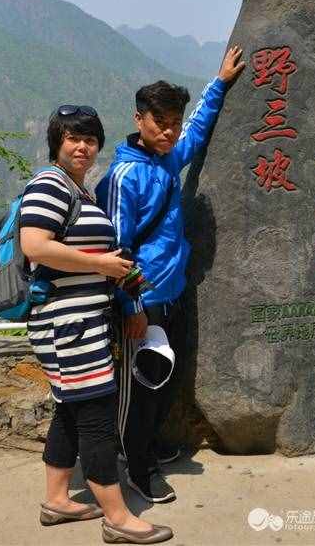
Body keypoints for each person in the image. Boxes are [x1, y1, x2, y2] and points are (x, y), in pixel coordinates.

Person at [95, 47, 245, 504]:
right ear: (139, 119)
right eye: (161, 123)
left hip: (174, 291)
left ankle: (150, 446)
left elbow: (197, 132)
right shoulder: (125, 176)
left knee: (162, 381)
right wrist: (133, 308)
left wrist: (218, 83)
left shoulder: (166, 158)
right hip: (144, 299)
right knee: (139, 389)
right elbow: (116, 252)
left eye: (174, 123)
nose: (170, 132)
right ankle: (137, 469)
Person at [19, 105, 172, 543]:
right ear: (57, 143)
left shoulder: (79, 191)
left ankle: (57, 500)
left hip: (83, 320)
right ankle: (118, 517)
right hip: (67, 324)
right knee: (97, 417)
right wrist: (101, 261)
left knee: (69, 410)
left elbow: (90, 257)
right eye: (73, 138)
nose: (82, 146)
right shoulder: (49, 185)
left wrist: (120, 276)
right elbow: (35, 245)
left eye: (89, 139)